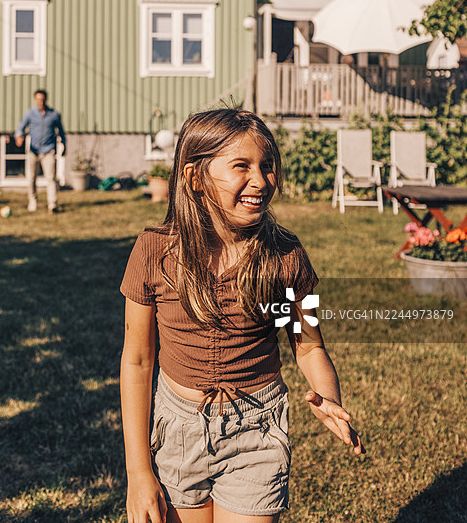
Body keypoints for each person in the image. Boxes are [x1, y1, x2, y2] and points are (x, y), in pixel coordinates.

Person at [120, 108, 365, 523]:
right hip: (178, 428)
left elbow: (308, 348)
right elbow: (138, 360)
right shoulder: (153, 252)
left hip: (257, 426)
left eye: (267, 166)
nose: (261, 180)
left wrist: (329, 398)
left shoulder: (285, 256)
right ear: (195, 177)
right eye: (242, 166)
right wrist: (138, 472)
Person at [15, 89, 66, 213]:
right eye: (38, 99)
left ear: (46, 100)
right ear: (35, 100)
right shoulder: (30, 114)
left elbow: (62, 132)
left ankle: (52, 205)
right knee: (31, 178)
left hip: (48, 151)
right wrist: (19, 136)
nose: (40, 102)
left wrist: (64, 145)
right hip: (33, 151)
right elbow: (20, 128)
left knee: (51, 178)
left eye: (42, 99)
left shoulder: (54, 115)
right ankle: (33, 201)